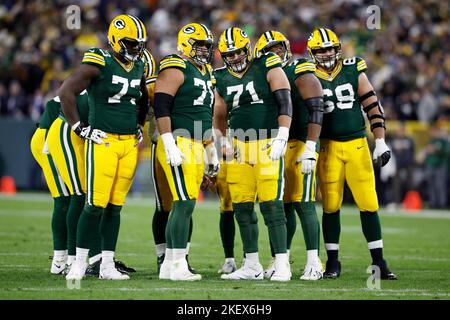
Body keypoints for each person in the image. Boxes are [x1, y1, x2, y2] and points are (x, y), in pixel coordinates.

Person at [61, 14, 149, 281]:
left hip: (128, 144)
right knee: (94, 205)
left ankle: (107, 264)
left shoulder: (139, 66)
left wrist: (139, 125)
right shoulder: (100, 61)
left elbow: (143, 97)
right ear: (115, 40)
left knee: (115, 207)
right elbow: (67, 91)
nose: (137, 48)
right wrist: (79, 127)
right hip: (103, 142)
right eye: (131, 43)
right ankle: (78, 262)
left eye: (140, 43)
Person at [308, 28, 397, 279]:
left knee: (369, 204)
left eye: (329, 48)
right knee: (331, 206)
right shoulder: (306, 74)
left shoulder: (352, 68)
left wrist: (380, 141)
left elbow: (372, 104)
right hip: (328, 147)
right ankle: (333, 262)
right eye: (321, 50)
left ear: (337, 49)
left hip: (357, 144)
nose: (326, 54)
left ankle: (379, 262)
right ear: (313, 53)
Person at [214, 27, 293, 282]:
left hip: (268, 142)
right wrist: (222, 139)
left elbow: (284, 99)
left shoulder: (266, 62)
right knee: (242, 207)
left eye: (238, 52)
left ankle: (282, 263)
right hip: (238, 146)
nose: (235, 58)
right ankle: (252, 265)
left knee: (272, 205)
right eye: (229, 54)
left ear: (247, 48)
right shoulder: (220, 77)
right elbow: (219, 115)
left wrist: (283, 134)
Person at [254, 30, 325, 280]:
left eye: (278, 48)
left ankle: (315, 261)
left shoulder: (298, 68)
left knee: (303, 204)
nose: (276, 54)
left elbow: (316, 107)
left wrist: (310, 146)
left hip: (300, 143)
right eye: (270, 50)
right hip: (275, 146)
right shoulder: (261, 74)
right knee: (280, 206)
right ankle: (278, 259)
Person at [154, 23, 219, 281]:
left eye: (206, 45)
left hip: (196, 144)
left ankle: (170, 265)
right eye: (199, 44)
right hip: (179, 142)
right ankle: (178, 264)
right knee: (183, 203)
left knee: (186, 204)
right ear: (185, 44)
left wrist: (211, 149)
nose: (203, 50)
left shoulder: (206, 72)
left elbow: (205, 115)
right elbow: (161, 104)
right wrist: (168, 141)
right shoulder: (175, 64)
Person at [30, 96, 71, 274]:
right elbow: (55, 102)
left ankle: (79, 256)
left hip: (61, 138)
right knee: (64, 199)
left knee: (77, 197)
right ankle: (60, 260)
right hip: (48, 140)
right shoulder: (89, 77)